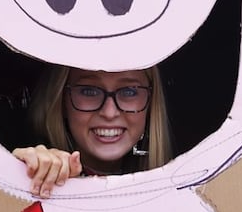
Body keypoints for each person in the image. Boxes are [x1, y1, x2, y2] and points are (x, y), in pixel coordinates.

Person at [13, 66, 173, 196]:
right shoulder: (45, 170)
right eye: (89, 91)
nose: (109, 113)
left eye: (129, 91)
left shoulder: (175, 190)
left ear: (151, 104)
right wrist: (24, 170)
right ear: (61, 101)